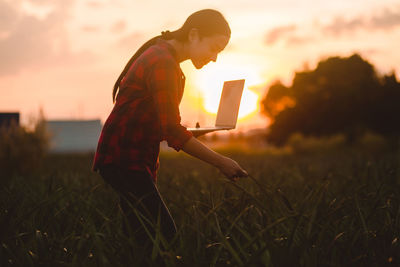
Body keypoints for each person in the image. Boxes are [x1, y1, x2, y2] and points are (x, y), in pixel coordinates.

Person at [92, 8, 248, 257]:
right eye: (214, 48)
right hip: (124, 160)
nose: (215, 58)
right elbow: (172, 131)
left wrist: (189, 133)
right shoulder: (162, 62)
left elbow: (164, 125)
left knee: (141, 239)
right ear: (194, 35)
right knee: (164, 238)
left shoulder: (164, 58)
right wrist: (221, 162)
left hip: (128, 160)